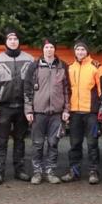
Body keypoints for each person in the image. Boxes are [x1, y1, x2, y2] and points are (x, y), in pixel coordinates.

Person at [0, 28, 33, 185]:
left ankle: (20, 170)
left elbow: (34, 83)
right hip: (3, 107)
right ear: (6, 42)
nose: (13, 41)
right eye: (10, 39)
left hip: (22, 107)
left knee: (20, 139)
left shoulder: (29, 60)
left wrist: (31, 105)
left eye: (15, 39)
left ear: (19, 41)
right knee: (1, 140)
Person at [24, 38, 70, 185]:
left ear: (55, 49)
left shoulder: (62, 66)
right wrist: (28, 110)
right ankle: (37, 172)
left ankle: (50, 172)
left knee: (53, 143)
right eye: (46, 47)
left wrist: (66, 109)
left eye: (51, 47)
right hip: (38, 113)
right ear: (42, 49)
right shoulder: (34, 66)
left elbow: (67, 90)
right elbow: (27, 90)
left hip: (56, 113)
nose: (49, 50)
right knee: (37, 144)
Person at [61, 40, 102, 185]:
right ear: (74, 52)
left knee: (92, 143)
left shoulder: (96, 66)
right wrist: (66, 109)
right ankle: (74, 171)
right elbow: (66, 90)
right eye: (78, 49)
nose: (80, 52)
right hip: (75, 113)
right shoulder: (70, 67)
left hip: (91, 113)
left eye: (82, 49)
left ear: (87, 51)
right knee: (75, 144)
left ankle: (94, 172)